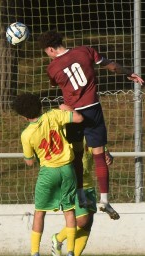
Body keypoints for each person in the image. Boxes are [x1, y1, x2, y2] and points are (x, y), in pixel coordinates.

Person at [38, 30, 144, 219]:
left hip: (73, 113)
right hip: (93, 109)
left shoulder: (53, 68)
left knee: (77, 155)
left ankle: (80, 196)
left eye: (47, 52)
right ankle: (105, 200)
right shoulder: (85, 51)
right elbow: (110, 66)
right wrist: (128, 73)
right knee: (99, 154)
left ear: (51, 49)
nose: (48, 55)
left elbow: (56, 84)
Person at [13, 93, 84, 256]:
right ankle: (70, 254)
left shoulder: (27, 134)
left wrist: (31, 155)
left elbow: (29, 162)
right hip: (67, 169)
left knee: (39, 212)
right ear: (40, 106)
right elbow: (78, 117)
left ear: (23, 116)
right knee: (69, 211)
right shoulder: (53, 115)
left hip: (48, 172)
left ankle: (35, 253)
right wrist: (66, 108)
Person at [51, 140, 114, 256]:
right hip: (72, 184)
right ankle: (58, 238)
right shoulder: (67, 134)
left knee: (88, 223)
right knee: (82, 220)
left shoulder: (92, 136)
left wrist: (108, 156)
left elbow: (103, 152)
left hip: (88, 185)